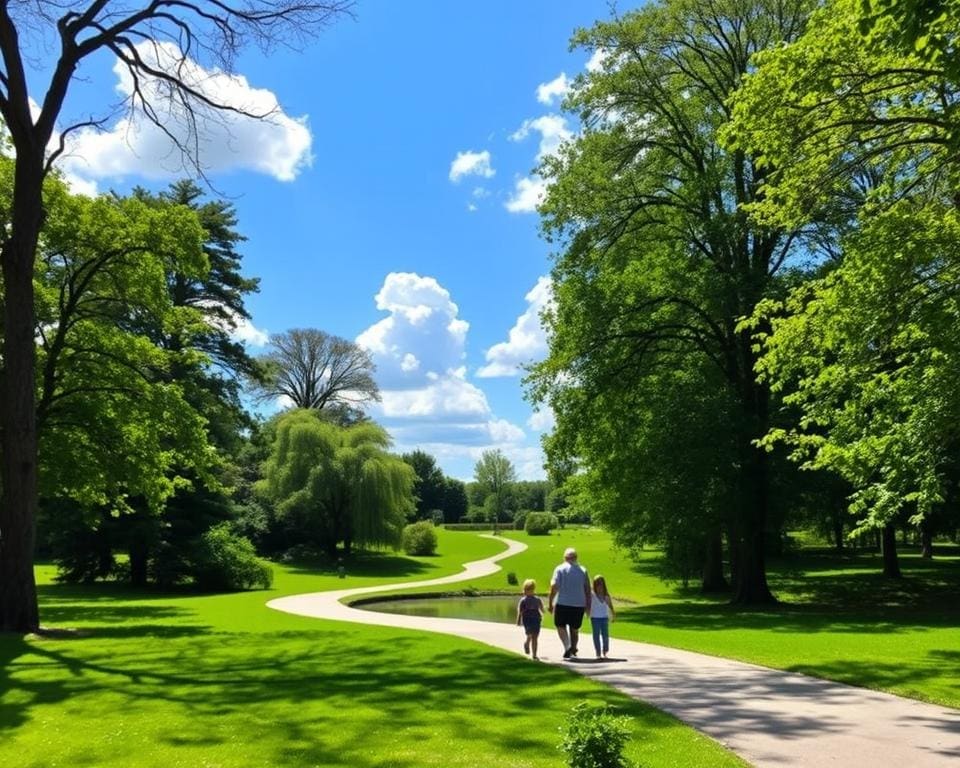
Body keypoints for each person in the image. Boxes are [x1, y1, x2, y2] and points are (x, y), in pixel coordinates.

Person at [548, 547, 591, 659]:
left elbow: (554, 587)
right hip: (579, 604)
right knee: (574, 629)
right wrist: (588, 606)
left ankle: (568, 646)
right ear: (576, 558)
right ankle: (573, 648)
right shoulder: (583, 570)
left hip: (563, 603)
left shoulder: (560, 569)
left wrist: (550, 602)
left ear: (565, 558)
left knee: (560, 625)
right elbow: (587, 589)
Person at [516, 579, 544, 660]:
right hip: (527, 620)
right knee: (530, 634)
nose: (526, 591)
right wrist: (518, 620)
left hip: (536, 619)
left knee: (535, 636)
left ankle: (534, 654)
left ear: (533, 590)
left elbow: (541, 608)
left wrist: (543, 610)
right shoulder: (523, 600)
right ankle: (527, 643)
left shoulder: (537, 599)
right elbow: (520, 611)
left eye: (528, 590)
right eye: (525, 589)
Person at [589, 574, 615, 659]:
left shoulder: (606, 596)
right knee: (596, 635)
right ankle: (598, 652)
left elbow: (610, 606)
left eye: (601, 585)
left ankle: (605, 650)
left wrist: (613, 614)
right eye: (597, 585)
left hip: (604, 618)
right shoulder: (592, 595)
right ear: (595, 586)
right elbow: (587, 603)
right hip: (595, 618)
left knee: (605, 635)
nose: (600, 587)